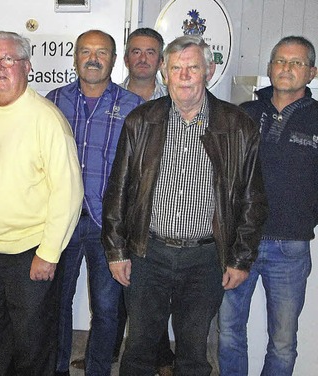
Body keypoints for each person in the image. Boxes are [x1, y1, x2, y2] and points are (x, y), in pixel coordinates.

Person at [102, 35, 268, 375]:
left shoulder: (238, 126)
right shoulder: (141, 121)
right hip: (149, 254)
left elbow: (253, 199)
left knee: (193, 352)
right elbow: (118, 189)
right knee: (138, 349)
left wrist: (239, 258)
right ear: (164, 72)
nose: (184, 75)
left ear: (209, 69)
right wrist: (117, 251)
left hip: (205, 259)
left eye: (192, 66)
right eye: (176, 67)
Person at [0, 31, 84, 376]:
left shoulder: (47, 119)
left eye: (8, 59)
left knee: (33, 343)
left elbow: (69, 192)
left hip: (31, 252)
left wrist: (50, 251)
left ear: (27, 66)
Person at [45, 29, 143, 376]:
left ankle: (98, 370)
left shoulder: (134, 106)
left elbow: (143, 171)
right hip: (63, 221)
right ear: (75, 57)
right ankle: (57, 368)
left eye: (102, 52)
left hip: (110, 226)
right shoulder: (53, 101)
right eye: (86, 51)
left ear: (114, 61)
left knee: (106, 308)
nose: (93, 58)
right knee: (56, 303)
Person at [218, 36, 318, 376]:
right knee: (229, 332)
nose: (286, 68)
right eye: (280, 61)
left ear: (312, 73)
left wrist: (306, 218)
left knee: (282, 342)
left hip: (290, 247)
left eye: (296, 63)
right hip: (240, 244)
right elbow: (224, 173)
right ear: (269, 67)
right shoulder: (245, 114)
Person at [117, 27, 175, 376]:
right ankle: (113, 349)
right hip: (118, 207)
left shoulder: (179, 99)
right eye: (136, 51)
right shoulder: (112, 98)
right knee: (121, 290)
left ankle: (162, 355)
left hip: (157, 211)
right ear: (126, 57)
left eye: (150, 52)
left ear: (161, 59)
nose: (142, 58)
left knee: (156, 295)